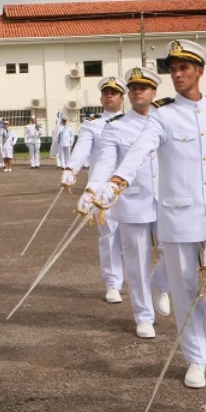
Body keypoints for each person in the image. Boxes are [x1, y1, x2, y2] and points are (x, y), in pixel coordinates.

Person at [96, 43, 206, 388]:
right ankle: (195, 359)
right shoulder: (162, 115)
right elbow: (140, 151)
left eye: (184, 67)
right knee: (184, 288)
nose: (177, 74)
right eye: (173, 69)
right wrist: (116, 181)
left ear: (200, 71)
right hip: (177, 213)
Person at [82, 67, 167, 338]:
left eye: (143, 87)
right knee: (137, 262)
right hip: (132, 201)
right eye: (133, 88)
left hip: (169, 200)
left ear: (154, 92)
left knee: (175, 254)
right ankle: (144, 316)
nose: (137, 92)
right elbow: (105, 163)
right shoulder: (115, 127)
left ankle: (160, 283)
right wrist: (93, 189)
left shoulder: (168, 120)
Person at [61, 76, 127, 303]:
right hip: (102, 189)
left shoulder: (134, 122)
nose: (110, 96)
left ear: (122, 97)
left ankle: (139, 281)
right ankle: (113, 283)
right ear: (101, 98)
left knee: (136, 239)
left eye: (114, 93)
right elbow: (82, 148)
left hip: (131, 189)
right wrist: (71, 168)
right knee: (109, 236)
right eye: (106, 93)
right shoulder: (93, 124)